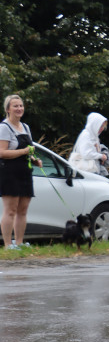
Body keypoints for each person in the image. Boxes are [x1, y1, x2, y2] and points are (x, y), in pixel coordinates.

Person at [0, 94, 43, 249]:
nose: (19, 109)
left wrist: (34, 160)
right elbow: (2, 152)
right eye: (15, 106)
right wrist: (23, 152)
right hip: (9, 172)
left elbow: (29, 151)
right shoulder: (4, 128)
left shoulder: (25, 127)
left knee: (23, 210)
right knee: (10, 210)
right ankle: (7, 244)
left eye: (21, 106)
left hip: (25, 172)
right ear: (8, 109)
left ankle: (19, 242)